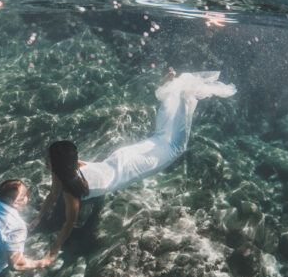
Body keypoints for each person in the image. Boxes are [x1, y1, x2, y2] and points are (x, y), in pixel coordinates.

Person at [32, 71, 236, 263]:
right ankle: (169, 89)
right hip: (121, 157)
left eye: (47, 159)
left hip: (133, 167)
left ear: (56, 166)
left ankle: (184, 96)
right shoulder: (69, 167)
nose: (45, 161)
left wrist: (53, 251)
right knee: (160, 137)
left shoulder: (69, 190)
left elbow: (69, 223)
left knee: (175, 147)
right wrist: (38, 217)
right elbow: (53, 195)